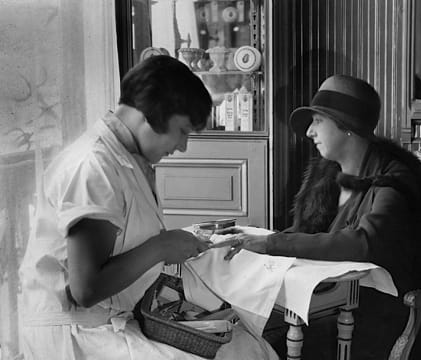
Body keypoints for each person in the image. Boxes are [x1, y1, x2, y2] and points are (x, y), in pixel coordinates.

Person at [19, 55, 278, 360]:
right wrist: (162, 246)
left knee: (248, 348)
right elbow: (86, 290)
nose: (182, 147)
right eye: (182, 130)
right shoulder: (94, 167)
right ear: (152, 113)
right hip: (78, 334)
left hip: (111, 321)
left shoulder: (127, 160)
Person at [219, 74, 421, 359]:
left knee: (266, 346)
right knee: (242, 336)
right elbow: (315, 237)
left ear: (347, 127)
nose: (310, 132)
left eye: (318, 121)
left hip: (377, 318)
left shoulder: (395, 180)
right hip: (328, 308)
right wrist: (256, 240)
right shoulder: (326, 178)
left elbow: (364, 244)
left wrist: (272, 244)